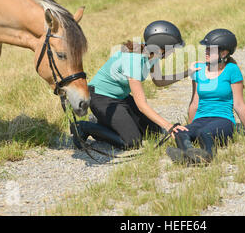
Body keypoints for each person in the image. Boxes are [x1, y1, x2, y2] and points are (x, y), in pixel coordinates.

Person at [72, 20, 200, 150]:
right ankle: (84, 127)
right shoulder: (134, 60)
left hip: (120, 98)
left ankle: (106, 122)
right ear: (162, 46)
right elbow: (142, 105)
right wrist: (169, 126)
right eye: (172, 48)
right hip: (101, 98)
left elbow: (159, 81)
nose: (172, 52)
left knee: (153, 132)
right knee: (132, 142)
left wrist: (187, 73)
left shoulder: (152, 55)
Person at [166, 28, 245, 165]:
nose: (206, 52)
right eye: (206, 49)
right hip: (201, 119)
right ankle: (188, 154)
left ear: (223, 53)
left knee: (205, 132)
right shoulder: (198, 70)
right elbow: (194, 102)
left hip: (223, 119)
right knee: (180, 132)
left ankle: (207, 156)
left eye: (210, 49)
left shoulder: (232, 70)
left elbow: (238, 103)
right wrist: (190, 126)